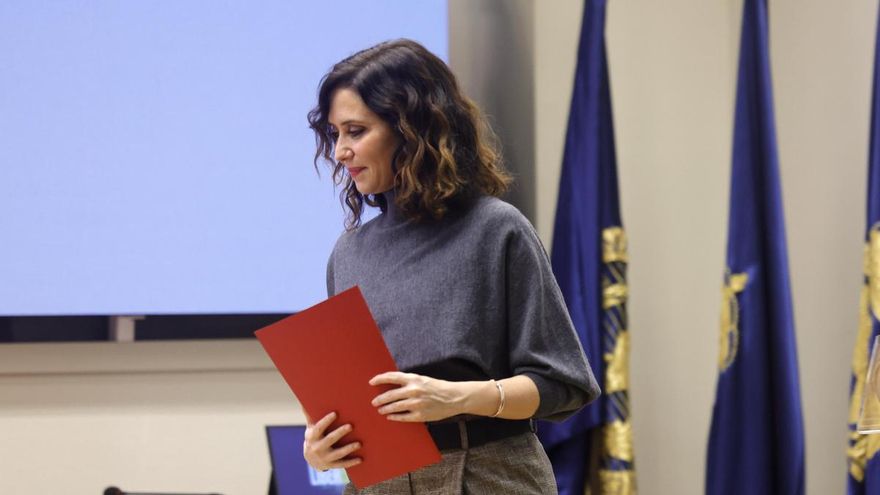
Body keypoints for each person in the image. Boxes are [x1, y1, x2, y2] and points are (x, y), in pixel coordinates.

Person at [304, 39, 600, 494]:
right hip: (378, 482)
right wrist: (324, 444)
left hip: (489, 475)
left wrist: (457, 397)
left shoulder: (497, 229)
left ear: (411, 129)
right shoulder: (348, 254)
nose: (341, 151)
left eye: (356, 131)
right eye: (334, 134)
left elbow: (564, 384)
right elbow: (352, 398)